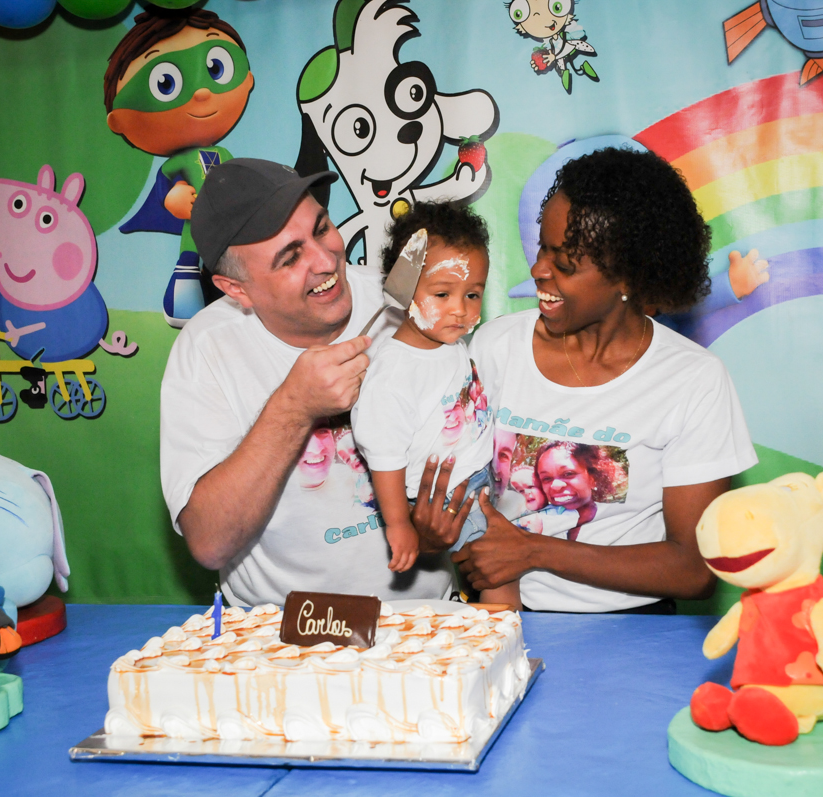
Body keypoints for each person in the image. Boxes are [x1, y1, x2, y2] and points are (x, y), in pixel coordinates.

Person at [455, 148, 757, 613]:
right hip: (506, 616)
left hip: (635, 633)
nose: (539, 270)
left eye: (565, 262)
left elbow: (694, 571)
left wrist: (534, 551)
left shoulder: (693, 380)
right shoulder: (494, 349)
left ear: (628, 278)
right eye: (542, 248)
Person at [160, 159, 472, 607]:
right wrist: (294, 406)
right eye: (290, 257)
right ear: (236, 289)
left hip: (428, 617)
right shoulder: (207, 349)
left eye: (322, 229)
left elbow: (470, 438)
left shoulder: (405, 300)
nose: (326, 262)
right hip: (285, 635)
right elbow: (210, 543)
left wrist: (444, 528)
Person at [350, 203, 496, 576]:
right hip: (442, 499)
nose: (460, 310)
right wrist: (399, 524)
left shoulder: (449, 343)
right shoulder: (395, 372)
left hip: (476, 478)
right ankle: (503, 630)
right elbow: (384, 455)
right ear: (404, 290)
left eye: (473, 295)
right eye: (443, 294)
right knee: (497, 573)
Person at [105, 8, 255, 327]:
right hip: (196, 219)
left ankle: (237, 293)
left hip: (227, 224)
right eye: (167, 83)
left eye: (215, 68)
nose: (201, 92)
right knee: (190, 252)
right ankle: (183, 297)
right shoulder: (180, 161)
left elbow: (237, 177)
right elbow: (168, 184)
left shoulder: (223, 151)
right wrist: (175, 197)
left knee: (232, 259)